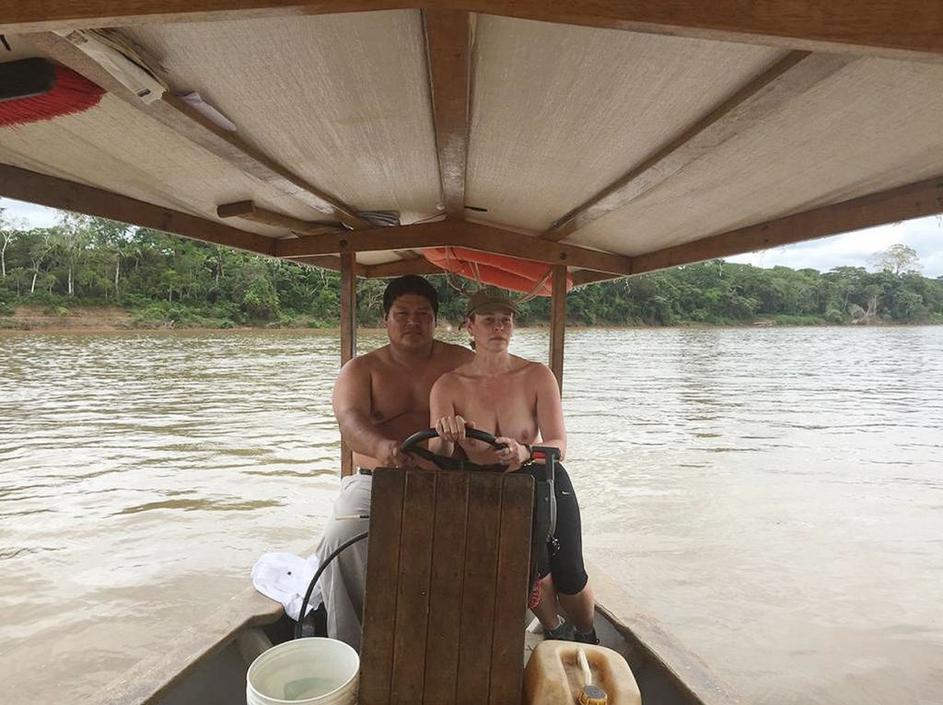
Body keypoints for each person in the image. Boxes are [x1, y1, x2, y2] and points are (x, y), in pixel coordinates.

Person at [429, 289, 598, 644]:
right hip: (485, 488)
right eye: (489, 320)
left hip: (540, 476)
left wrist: (525, 451)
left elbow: (559, 444)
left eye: (505, 320)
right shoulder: (448, 385)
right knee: (526, 569)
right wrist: (446, 435)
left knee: (570, 571)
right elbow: (439, 456)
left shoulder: (537, 375)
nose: (498, 327)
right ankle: (555, 629)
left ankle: (588, 636)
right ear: (469, 326)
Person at [314, 275, 474, 650]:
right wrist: (382, 447)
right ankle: (350, 650)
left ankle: (463, 643)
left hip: (453, 479)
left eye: (423, 314)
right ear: (385, 319)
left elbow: (499, 404)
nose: (412, 321)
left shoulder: (464, 363)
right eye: (402, 313)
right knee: (339, 538)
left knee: (496, 530)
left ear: (435, 320)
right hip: (376, 479)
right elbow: (350, 422)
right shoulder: (361, 370)